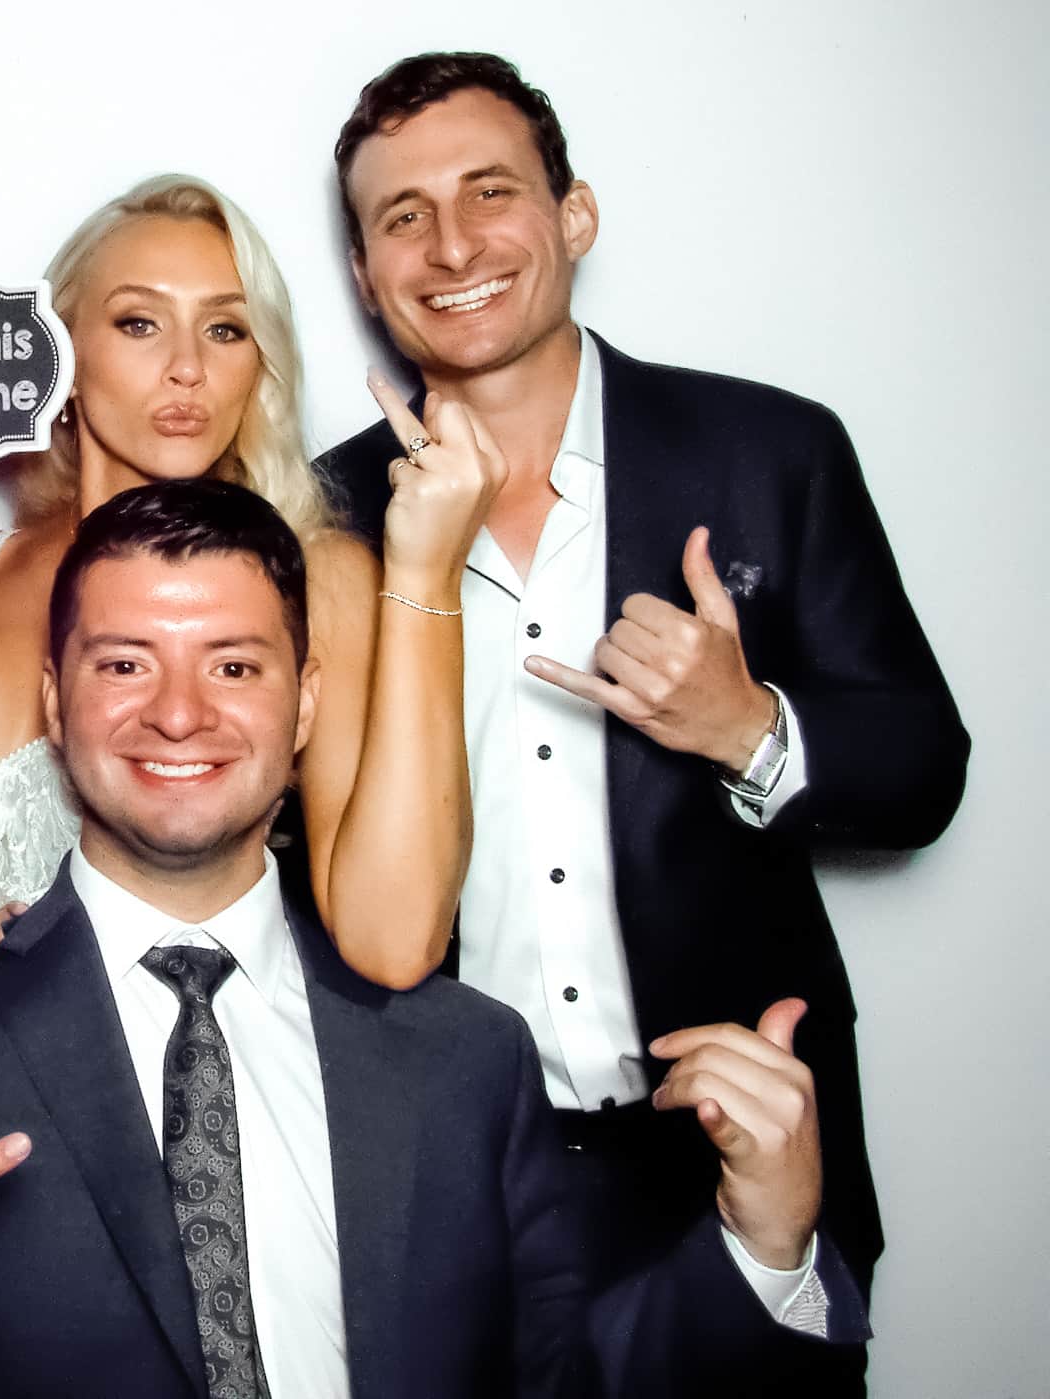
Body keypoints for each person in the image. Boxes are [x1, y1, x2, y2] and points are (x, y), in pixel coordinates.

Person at [0, 480, 868, 1398]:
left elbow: (564, 1379)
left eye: (232, 666)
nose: (178, 713)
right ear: (56, 703)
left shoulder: (467, 1062)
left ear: (305, 702)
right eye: (123, 664)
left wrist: (762, 1242)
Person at [317, 51, 970, 1336]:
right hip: (439, 1177)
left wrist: (749, 729)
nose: (450, 246)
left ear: (573, 215)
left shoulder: (767, 451)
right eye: (402, 216)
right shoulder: (319, 514)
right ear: (362, 272)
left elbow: (921, 772)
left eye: (489, 192)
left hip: (734, 1155)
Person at [0, 175, 494, 969]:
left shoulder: (315, 575)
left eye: (225, 329)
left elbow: (392, 943)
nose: (187, 368)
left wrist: (428, 577)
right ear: (60, 353)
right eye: (140, 323)